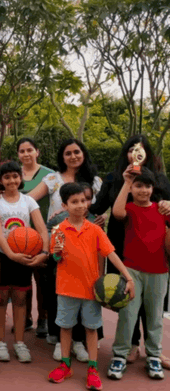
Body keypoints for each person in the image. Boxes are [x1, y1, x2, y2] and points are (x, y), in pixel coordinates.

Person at [90, 134, 170, 368]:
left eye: (142, 149)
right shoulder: (115, 178)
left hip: (155, 250)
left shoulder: (160, 179)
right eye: (132, 149)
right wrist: (66, 212)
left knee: (154, 303)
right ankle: (132, 345)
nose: (137, 152)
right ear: (125, 153)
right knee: (128, 301)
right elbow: (97, 206)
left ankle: (154, 351)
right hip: (122, 246)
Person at [47, 183, 135, 391]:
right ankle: (66, 365)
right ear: (64, 205)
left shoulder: (94, 229)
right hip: (66, 289)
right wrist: (57, 252)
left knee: (91, 328)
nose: (80, 205)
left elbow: (111, 253)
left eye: (83, 201)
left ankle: (92, 369)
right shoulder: (59, 230)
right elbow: (56, 257)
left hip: (90, 290)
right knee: (65, 327)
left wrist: (128, 277)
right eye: (74, 202)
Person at [28, 138, 103, 362]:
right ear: (62, 156)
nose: (73, 156)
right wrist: (45, 223)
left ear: (83, 153)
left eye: (77, 152)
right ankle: (59, 337)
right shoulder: (53, 179)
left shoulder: (95, 181)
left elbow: (104, 205)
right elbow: (29, 200)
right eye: (68, 153)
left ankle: (80, 340)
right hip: (60, 238)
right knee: (59, 289)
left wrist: (104, 216)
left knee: (86, 290)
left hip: (87, 240)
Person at [108, 167, 169, 380]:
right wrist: (126, 181)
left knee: (155, 317)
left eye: (147, 186)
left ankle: (153, 355)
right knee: (128, 315)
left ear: (153, 188)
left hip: (159, 271)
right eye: (139, 186)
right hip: (132, 270)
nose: (143, 190)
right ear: (132, 189)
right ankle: (120, 355)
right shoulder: (130, 209)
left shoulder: (162, 210)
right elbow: (116, 213)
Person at [0, 161, 49, 363]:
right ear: (1, 180)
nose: (12, 180)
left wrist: (44, 252)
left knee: (21, 300)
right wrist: (11, 254)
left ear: (20, 178)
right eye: (7, 177)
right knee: (1, 299)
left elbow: (41, 229)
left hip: (25, 255)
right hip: (4, 256)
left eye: (15, 176)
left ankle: (20, 343)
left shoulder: (28, 201)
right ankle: (0, 342)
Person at [17, 137, 54, 337]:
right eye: (22, 151)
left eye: (29, 150)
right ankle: (25, 318)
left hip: (42, 234)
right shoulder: (14, 174)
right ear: (18, 155)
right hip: (18, 235)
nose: (26, 154)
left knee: (42, 281)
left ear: (37, 151)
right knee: (23, 281)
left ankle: (43, 318)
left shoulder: (49, 175)